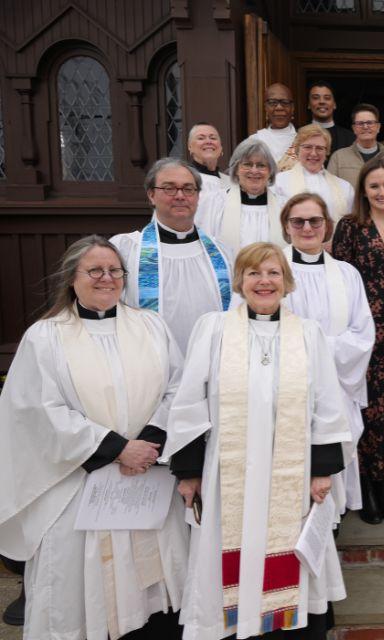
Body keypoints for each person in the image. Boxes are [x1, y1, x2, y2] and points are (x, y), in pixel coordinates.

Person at [0, 235, 188, 640]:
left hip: (144, 481)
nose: (107, 278)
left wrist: (148, 443)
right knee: (80, 600)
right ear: (72, 278)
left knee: (152, 599)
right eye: (95, 270)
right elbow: (36, 410)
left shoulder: (151, 325)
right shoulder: (46, 336)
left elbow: (179, 387)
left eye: (115, 270)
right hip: (78, 485)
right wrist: (118, 448)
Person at [162, 242, 351, 640]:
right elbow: (189, 403)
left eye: (273, 273)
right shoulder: (213, 328)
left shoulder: (308, 334)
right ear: (239, 281)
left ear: (287, 282)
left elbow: (328, 405)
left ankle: (285, 628)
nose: (264, 281)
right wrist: (189, 473)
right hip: (226, 474)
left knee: (287, 558)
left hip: (292, 472)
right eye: (254, 273)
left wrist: (322, 470)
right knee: (227, 557)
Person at [332, 159, 384, 525]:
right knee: (366, 413)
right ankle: (366, 489)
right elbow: (339, 282)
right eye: (374, 186)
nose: (381, 193)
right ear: (363, 192)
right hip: (362, 335)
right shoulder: (350, 227)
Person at [281, 192, 375, 516]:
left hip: (335, 385)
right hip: (286, 387)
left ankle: (333, 523)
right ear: (286, 227)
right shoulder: (270, 270)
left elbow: (363, 334)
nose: (307, 227)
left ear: (327, 226)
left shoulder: (347, 274)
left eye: (315, 221)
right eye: (298, 221)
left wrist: (317, 352)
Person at [111, 158, 233, 355]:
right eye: (169, 188)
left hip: (212, 366)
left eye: (188, 189)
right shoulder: (125, 249)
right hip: (151, 365)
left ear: (197, 196)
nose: (180, 196)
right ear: (151, 195)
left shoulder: (223, 255)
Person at [196, 138, 287, 252]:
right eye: (247, 164)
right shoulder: (215, 203)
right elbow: (206, 245)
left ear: (270, 171)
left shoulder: (283, 206)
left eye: (261, 165)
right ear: (236, 170)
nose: (254, 171)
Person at [275, 124, 356, 226]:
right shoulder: (279, 182)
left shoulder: (344, 188)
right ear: (297, 150)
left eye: (319, 148)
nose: (313, 153)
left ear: (327, 152)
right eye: (307, 147)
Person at [328, 104, 384, 188]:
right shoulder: (338, 158)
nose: (365, 127)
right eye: (360, 123)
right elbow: (330, 190)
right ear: (354, 128)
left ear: (378, 127)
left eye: (370, 123)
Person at [248, 82, 298, 171]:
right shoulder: (254, 141)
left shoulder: (302, 140)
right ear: (266, 108)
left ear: (292, 107)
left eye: (285, 102)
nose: (279, 107)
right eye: (272, 102)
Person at [307, 81, 355, 156]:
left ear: (334, 105)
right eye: (316, 98)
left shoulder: (350, 138)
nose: (322, 101)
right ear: (309, 105)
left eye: (327, 98)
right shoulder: (297, 135)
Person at [186, 122, 229, 203]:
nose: (208, 142)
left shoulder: (231, 182)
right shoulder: (184, 180)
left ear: (221, 148)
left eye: (213, 138)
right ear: (190, 146)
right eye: (201, 138)